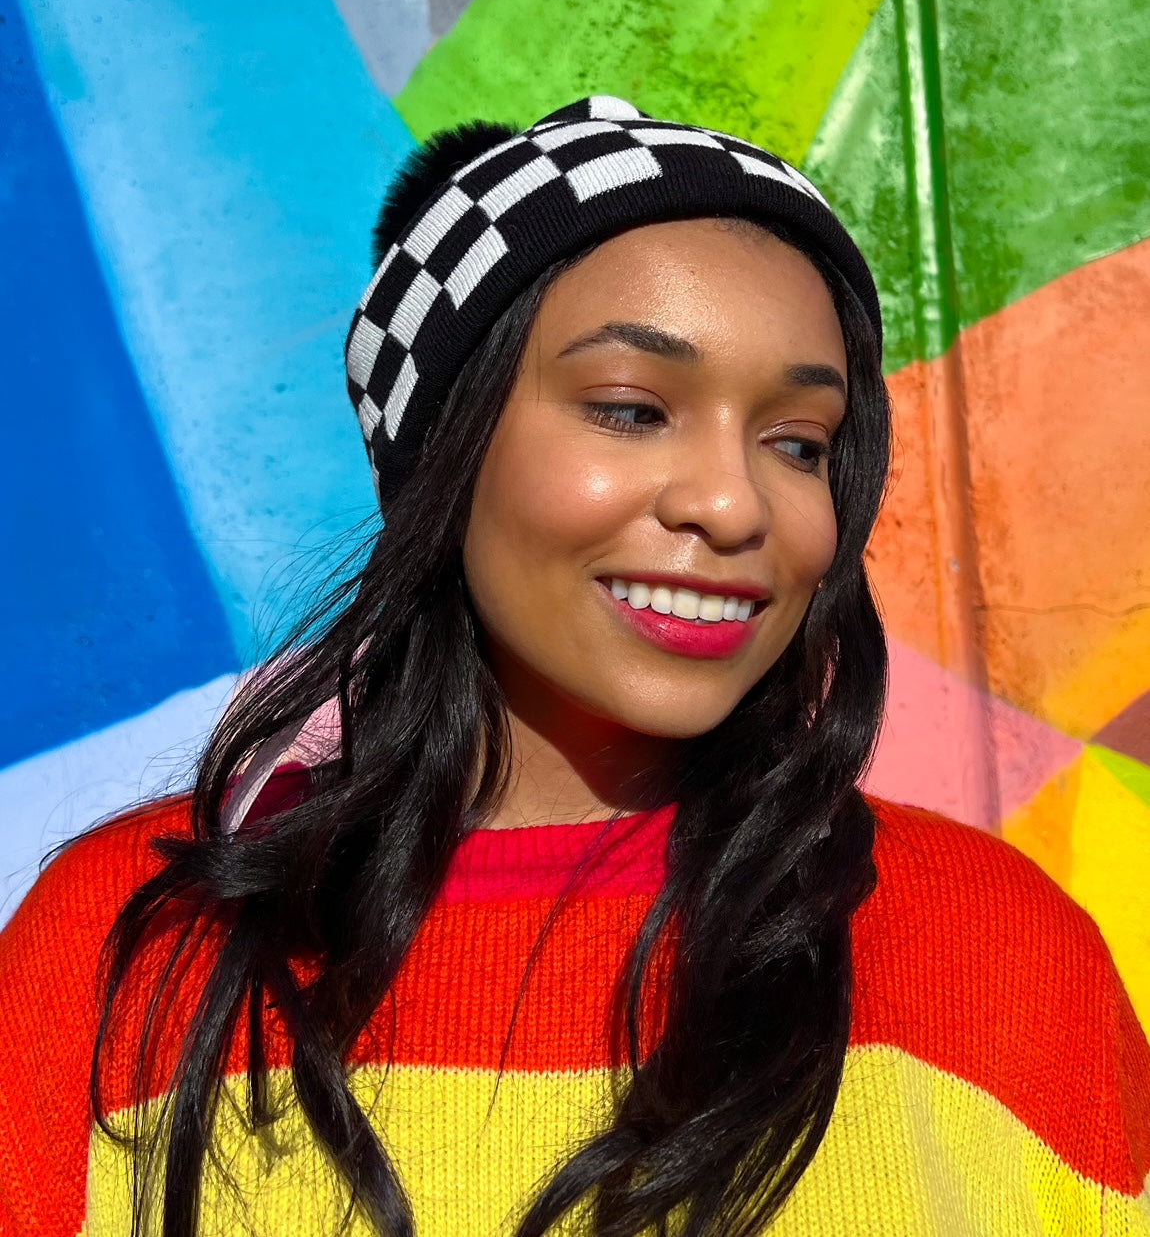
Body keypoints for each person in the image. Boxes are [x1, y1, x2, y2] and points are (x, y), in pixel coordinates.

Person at [0, 95, 1146, 1236]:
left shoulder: (1008, 959)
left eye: (797, 441)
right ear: (442, 453)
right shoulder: (113, 961)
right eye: (632, 410)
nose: (733, 504)